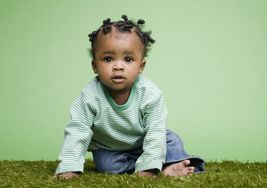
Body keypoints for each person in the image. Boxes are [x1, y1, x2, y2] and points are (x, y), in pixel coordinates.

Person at [55, 15, 204, 180]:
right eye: (108, 59)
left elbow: (155, 131)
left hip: (145, 140)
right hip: (110, 147)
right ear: (95, 66)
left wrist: (149, 163)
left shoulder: (150, 94)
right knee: (107, 165)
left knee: (171, 140)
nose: (118, 66)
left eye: (128, 59)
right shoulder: (89, 97)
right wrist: (69, 167)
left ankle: (169, 163)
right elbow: (77, 131)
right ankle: (154, 165)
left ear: (141, 66)